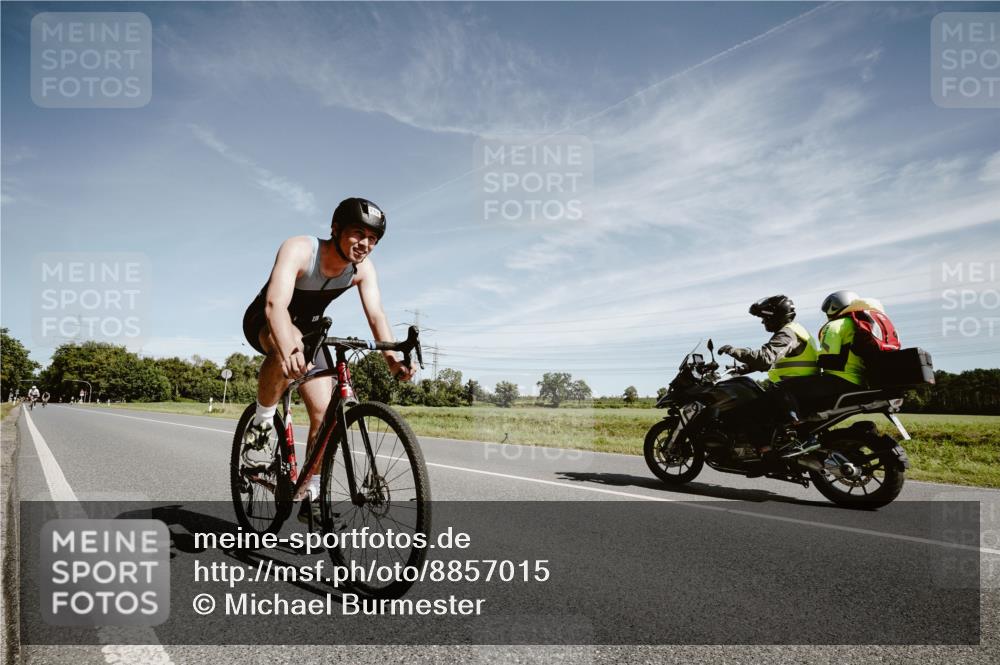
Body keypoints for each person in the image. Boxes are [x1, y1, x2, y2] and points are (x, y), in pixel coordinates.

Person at [241, 197, 415, 524]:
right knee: (285, 345)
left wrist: (392, 358)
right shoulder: (300, 249)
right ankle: (263, 422)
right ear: (335, 229)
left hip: (310, 332)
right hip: (266, 320)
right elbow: (275, 306)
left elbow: (376, 314)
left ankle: (311, 494)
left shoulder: (362, 270)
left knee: (324, 413)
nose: (365, 244)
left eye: (373, 239)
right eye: (357, 234)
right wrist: (288, 345)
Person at [718, 295, 819, 385]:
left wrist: (733, 351)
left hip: (795, 389)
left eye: (765, 318)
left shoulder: (787, 334)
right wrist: (744, 368)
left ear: (776, 317)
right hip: (797, 386)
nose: (763, 322)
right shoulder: (796, 330)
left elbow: (765, 359)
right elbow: (772, 361)